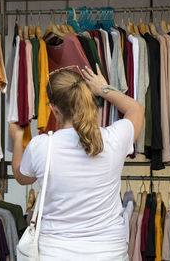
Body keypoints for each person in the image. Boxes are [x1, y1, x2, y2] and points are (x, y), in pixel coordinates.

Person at [9, 63, 144, 260]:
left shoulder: (42, 146)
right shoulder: (114, 139)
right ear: (86, 98)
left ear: (54, 109)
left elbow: (22, 176)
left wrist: (19, 138)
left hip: (55, 251)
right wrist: (103, 89)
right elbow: (136, 109)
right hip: (108, 251)